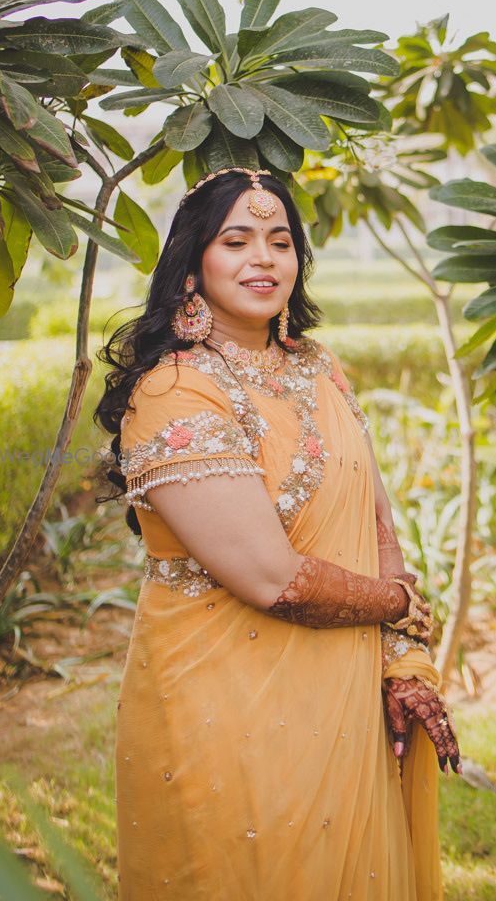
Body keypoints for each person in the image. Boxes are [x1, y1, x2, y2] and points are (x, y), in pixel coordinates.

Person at [95, 166, 461, 901]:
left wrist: (398, 661)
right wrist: (400, 608)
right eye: (236, 241)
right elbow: (274, 578)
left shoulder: (318, 368)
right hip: (221, 695)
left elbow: (374, 513)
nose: (263, 258)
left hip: (342, 685)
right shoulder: (173, 390)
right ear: (193, 266)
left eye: (280, 241)